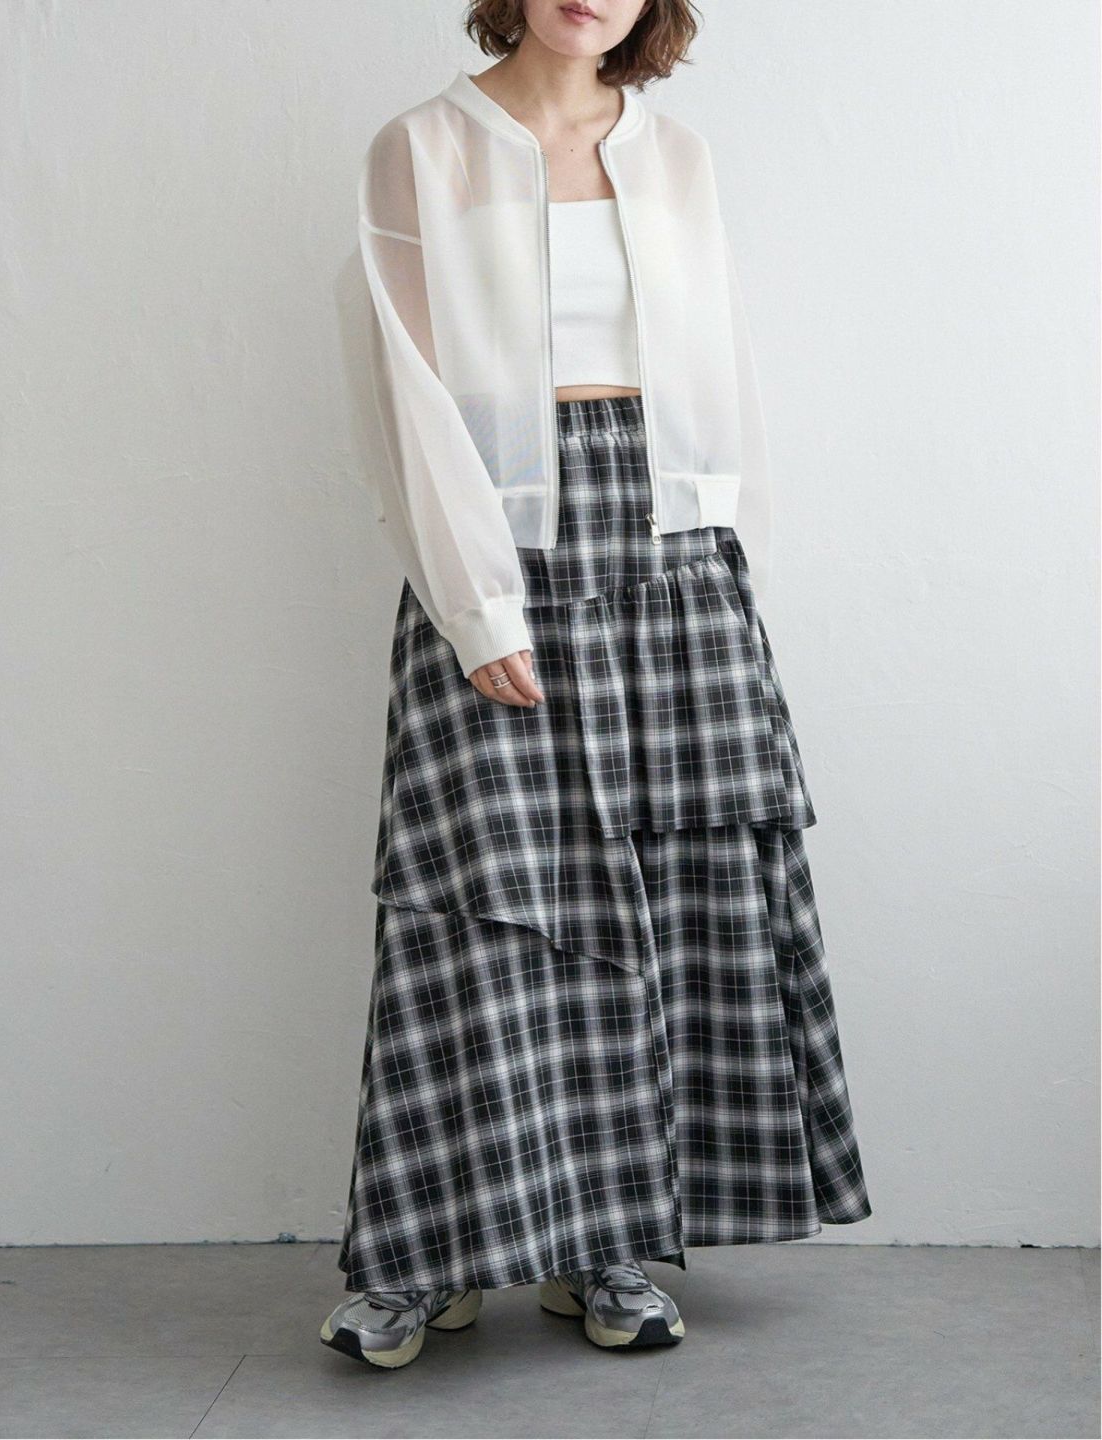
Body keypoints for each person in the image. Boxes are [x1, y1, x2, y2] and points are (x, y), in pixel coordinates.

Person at [322, 0, 872, 1370]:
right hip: (499, 534)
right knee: (482, 893)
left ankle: (607, 1242)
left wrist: (727, 561)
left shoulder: (675, 154)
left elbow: (717, 361)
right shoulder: (423, 147)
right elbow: (402, 383)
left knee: (666, 893)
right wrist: (474, 601)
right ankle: (425, 1253)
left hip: (671, 544)